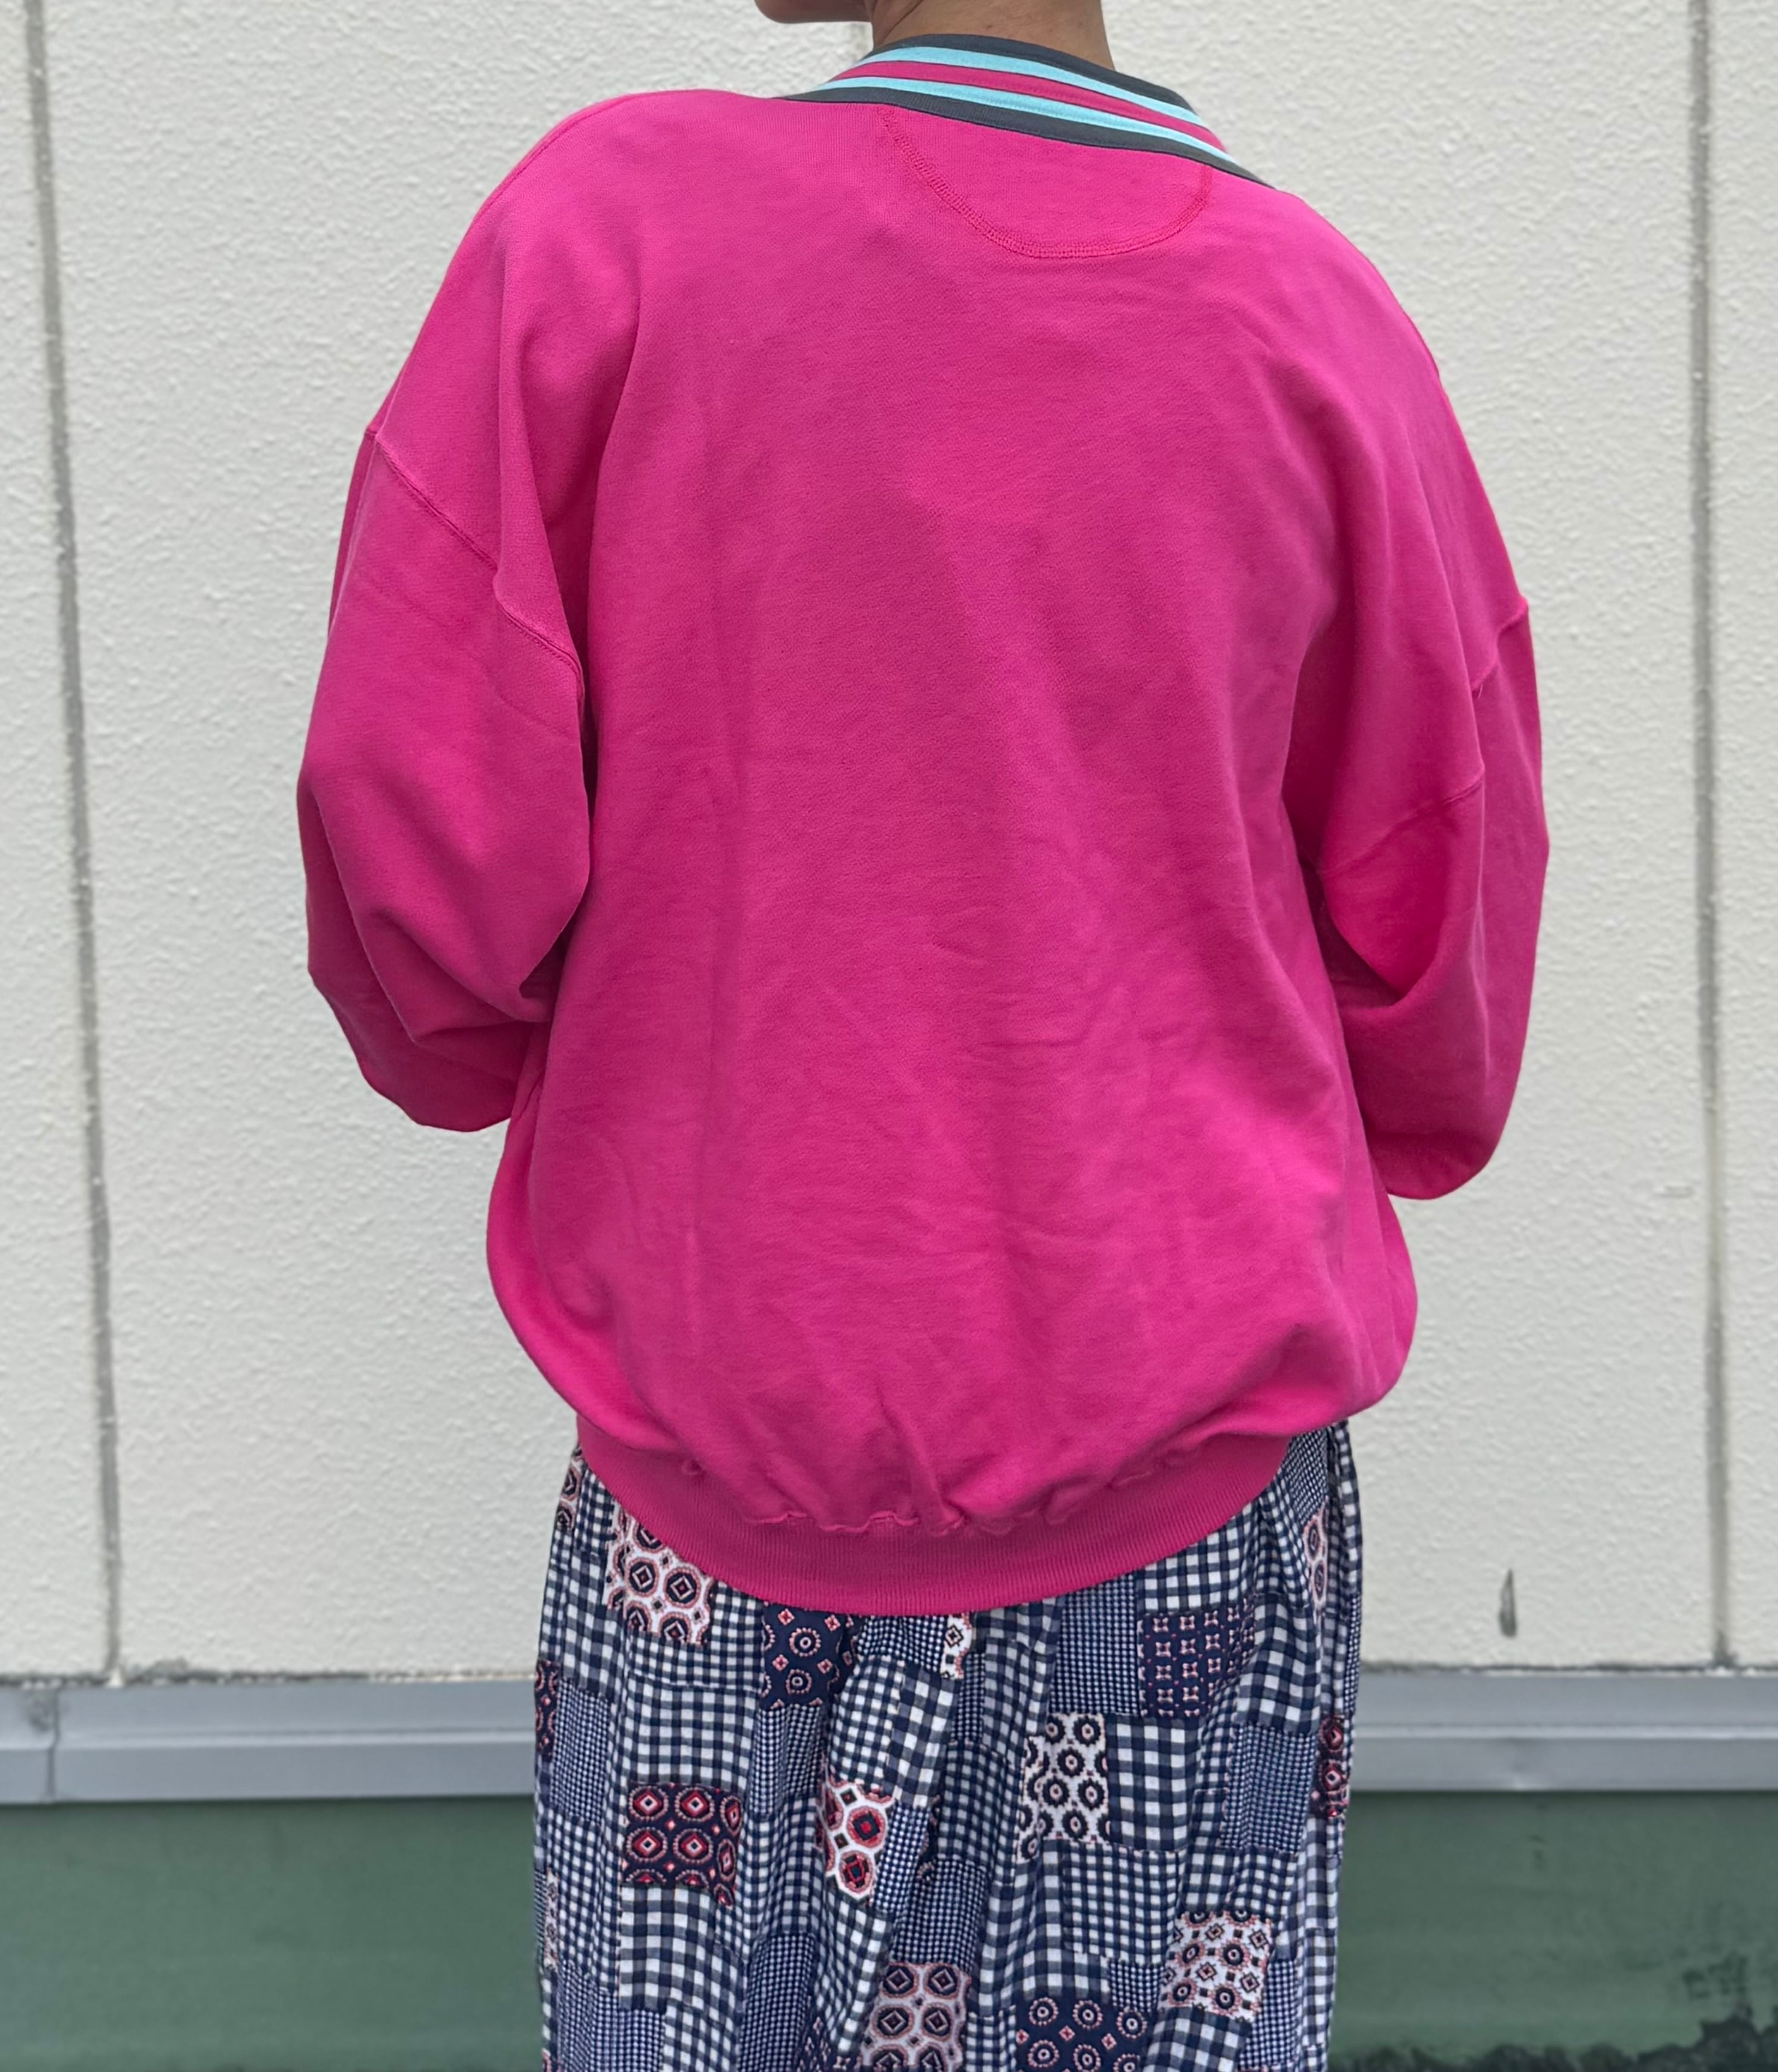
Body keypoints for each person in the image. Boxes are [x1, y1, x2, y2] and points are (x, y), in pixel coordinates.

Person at [296, 0, 1547, 2064]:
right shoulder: (1317, 327)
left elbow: (416, 841)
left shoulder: (608, 243)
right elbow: (1445, 947)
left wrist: (565, 1059)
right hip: (1184, 1517)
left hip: (718, 1480)